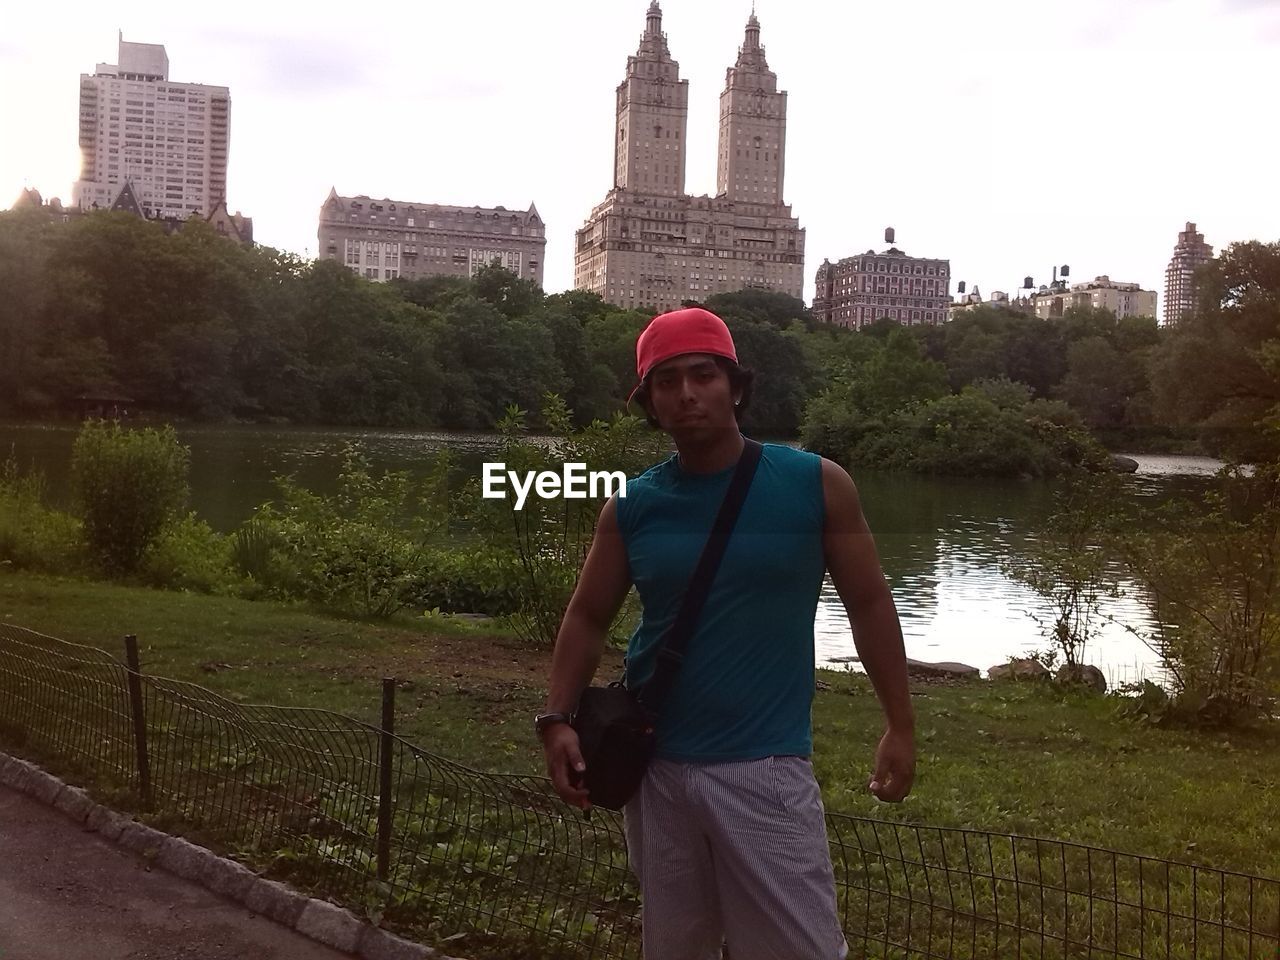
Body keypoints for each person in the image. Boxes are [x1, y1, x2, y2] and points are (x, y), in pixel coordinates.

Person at [537, 306, 915, 960]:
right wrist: (557, 717)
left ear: (735, 386)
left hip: (764, 770)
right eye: (667, 382)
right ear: (650, 403)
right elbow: (587, 615)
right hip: (654, 770)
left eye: (704, 375)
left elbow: (870, 602)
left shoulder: (816, 486)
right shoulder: (633, 507)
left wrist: (900, 725)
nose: (687, 394)